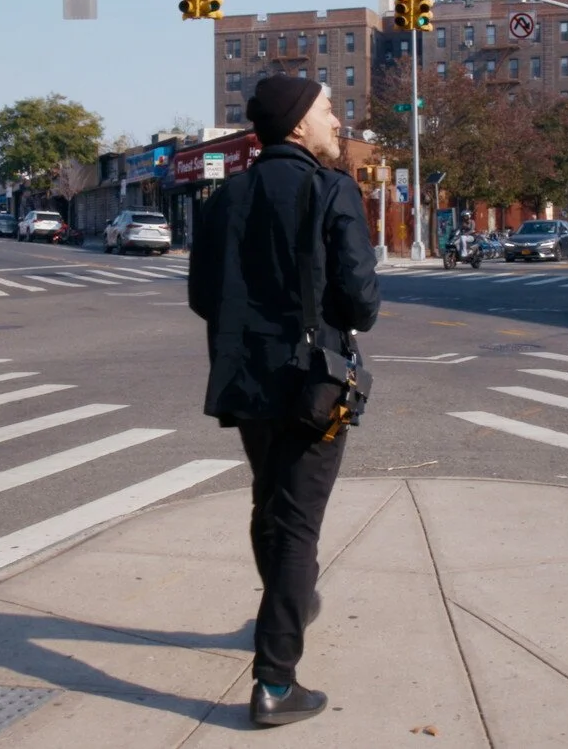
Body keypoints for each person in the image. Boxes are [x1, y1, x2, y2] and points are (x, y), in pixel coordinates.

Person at [187, 73, 380, 727]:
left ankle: (286, 605)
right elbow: (361, 302)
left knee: (270, 506)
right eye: (328, 109)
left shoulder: (222, 198)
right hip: (311, 385)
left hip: (244, 381)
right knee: (296, 526)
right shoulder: (331, 189)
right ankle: (275, 680)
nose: (336, 120)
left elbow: (200, 297)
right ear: (298, 123)